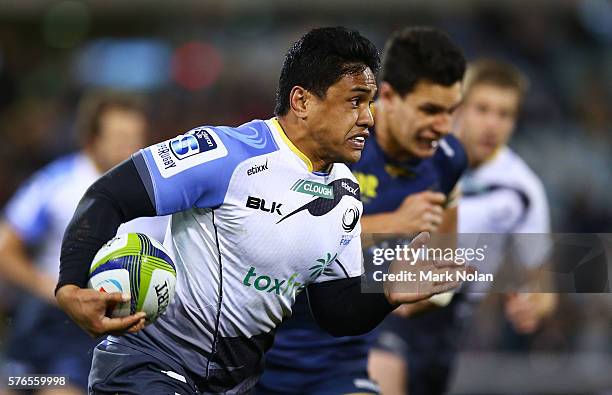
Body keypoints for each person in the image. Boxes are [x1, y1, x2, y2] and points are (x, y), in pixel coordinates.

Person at [54, 27, 468, 395]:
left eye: (371, 102)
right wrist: (70, 285)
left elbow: (335, 310)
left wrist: (387, 291)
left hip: (235, 383)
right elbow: (109, 195)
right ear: (302, 101)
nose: (368, 118)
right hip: (150, 366)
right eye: (355, 101)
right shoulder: (226, 154)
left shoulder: (345, 194)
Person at [257, 26, 468, 395]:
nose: (444, 127)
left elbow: (441, 255)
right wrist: (392, 224)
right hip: (268, 347)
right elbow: (280, 234)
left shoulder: (448, 161)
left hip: (345, 352)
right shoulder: (337, 145)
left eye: (452, 112)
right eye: (430, 110)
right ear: (388, 96)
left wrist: (425, 290)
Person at [0, 91, 168, 395]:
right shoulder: (57, 182)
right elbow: (5, 247)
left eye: (135, 136)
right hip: (44, 316)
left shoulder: (161, 195)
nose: (129, 146)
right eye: (118, 136)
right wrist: (47, 287)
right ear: (92, 139)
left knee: (59, 391)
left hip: (102, 331)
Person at [455, 59, 556, 339]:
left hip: (455, 325)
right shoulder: (420, 155)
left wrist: (534, 306)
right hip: (387, 309)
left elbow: (542, 283)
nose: (492, 124)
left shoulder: (522, 188)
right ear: (460, 108)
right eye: (482, 109)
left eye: (505, 114)